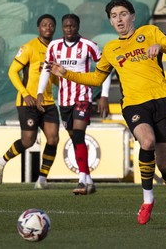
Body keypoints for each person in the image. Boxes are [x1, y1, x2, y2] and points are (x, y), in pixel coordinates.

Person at [48, 0, 166, 228]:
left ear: (132, 16)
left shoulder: (150, 32)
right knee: (147, 141)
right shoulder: (111, 48)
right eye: (114, 16)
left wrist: (162, 46)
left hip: (162, 101)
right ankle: (147, 200)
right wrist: (66, 73)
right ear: (110, 22)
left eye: (123, 14)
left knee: (165, 165)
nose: (119, 19)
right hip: (134, 104)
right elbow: (96, 78)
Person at [37, 14, 111, 195]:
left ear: (78, 26)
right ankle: (89, 180)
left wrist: (104, 95)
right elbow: (47, 70)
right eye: (66, 26)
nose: (69, 28)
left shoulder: (89, 45)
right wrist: (39, 92)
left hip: (83, 97)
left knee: (78, 134)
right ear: (62, 28)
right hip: (64, 100)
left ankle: (81, 180)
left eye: (72, 26)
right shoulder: (54, 46)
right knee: (75, 138)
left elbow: (105, 69)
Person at [0, 14, 60, 189]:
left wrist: (63, 84)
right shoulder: (29, 47)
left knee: (53, 139)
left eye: (51, 25)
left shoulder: (56, 49)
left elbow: (52, 77)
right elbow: (12, 72)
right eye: (44, 25)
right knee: (28, 141)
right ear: (39, 28)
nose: (48, 27)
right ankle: (1, 161)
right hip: (28, 102)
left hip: (47, 102)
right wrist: (25, 94)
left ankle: (42, 180)